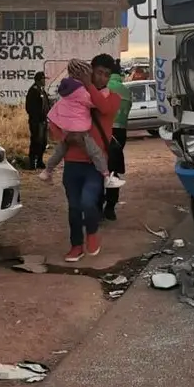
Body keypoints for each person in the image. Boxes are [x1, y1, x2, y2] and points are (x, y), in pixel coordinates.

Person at [60, 54, 122, 263]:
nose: (102, 78)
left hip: (95, 164)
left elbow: (103, 108)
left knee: (88, 202)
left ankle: (92, 233)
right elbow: (58, 120)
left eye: (107, 75)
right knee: (74, 207)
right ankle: (76, 246)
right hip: (72, 161)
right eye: (99, 73)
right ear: (91, 71)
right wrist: (65, 138)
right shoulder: (73, 97)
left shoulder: (113, 98)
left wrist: (88, 85)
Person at [37, 66, 126, 190]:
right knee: (96, 153)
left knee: (58, 153)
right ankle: (106, 176)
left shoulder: (64, 97)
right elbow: (100, 105)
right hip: (81, 131)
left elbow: (52, 116)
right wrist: (100, 91)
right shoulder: (82, 94)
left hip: (67, 132)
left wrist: (62, 135)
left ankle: (47, 171)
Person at [98, 60, 132, 221]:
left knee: (98, 169)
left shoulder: (103, 88)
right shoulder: (126, 91)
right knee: (113, 170)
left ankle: (97, 205)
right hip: (120, 134)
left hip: (103, 132)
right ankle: (110, 208)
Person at [25, 71, 50, 169]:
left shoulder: (42, 90)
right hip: (37, 122)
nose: (45, 81)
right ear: (39, 80)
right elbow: (29, 107)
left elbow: (46, 105)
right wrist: (36, 118)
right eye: (43, 79)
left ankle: (40, 161)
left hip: (43, 121)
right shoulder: (33, 90)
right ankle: (32, 162)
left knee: (43, 142)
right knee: (36, 141)